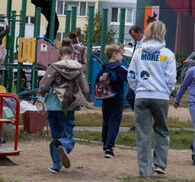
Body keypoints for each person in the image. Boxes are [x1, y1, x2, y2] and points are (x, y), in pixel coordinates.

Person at [127, 20, 177, 177]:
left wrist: (137, 90)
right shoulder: (168, 54)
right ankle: (160, 164)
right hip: (160, 96)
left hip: (142, 95)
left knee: (143, 134)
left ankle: (145, 170)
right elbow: (171, 78)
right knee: (162, 130)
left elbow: (131, 75)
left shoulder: (138, 52)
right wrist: (166, 92)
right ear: (163, 33)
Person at [38, 44, 91, 173]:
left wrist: (42, 92)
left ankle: (56, 165)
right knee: (67, 135)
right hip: (69, 106)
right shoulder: (78, 69)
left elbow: (44, 85)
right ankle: (64, 144)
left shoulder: (53, 67)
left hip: (53, 104)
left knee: (55, 136)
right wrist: (81, 98)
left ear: (59, 55)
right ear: (72, 55)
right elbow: (85, 89)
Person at [97, 44, 129, 158]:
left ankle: (105, 142)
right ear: (115, 54)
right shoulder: (119, 68)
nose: (122, 57)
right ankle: (109, 147)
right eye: (121, 54)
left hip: (105, 98)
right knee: (114, 122)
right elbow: (130, 77)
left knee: (106, 120)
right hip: (117, 98)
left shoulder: (103, 67)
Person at [126, 25, 144, 110]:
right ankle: (139, 111)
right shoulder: (138, 43)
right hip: (135, 73)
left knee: (130, 95)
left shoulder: (145, 44)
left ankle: (140, 111)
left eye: (134, 36)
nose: (133, 38)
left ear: (139, 33)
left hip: (141, 73)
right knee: (131, 95)